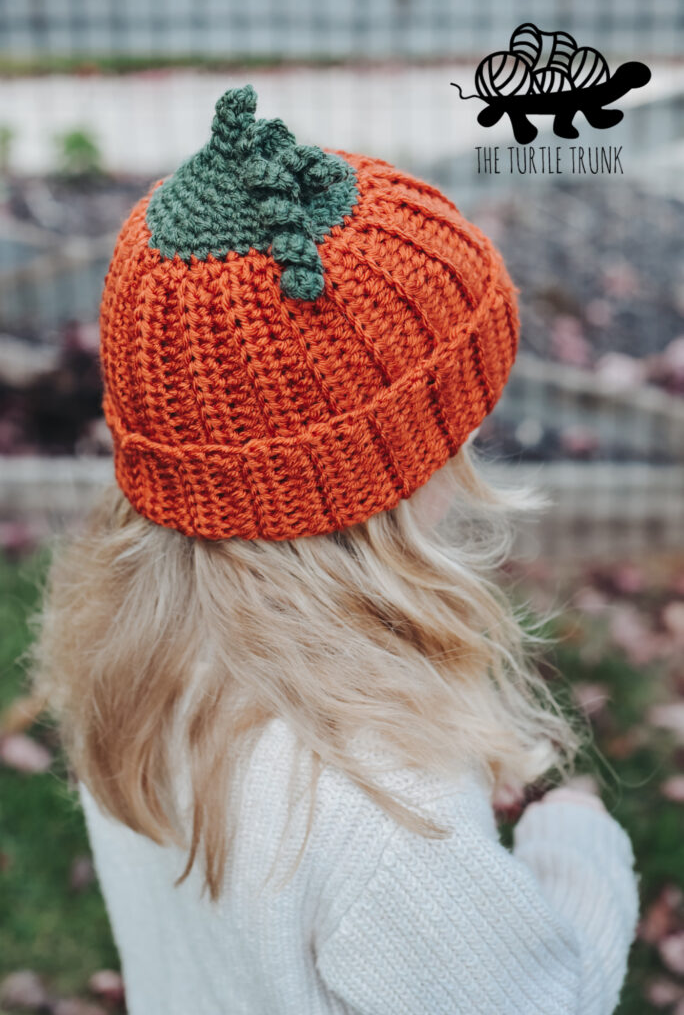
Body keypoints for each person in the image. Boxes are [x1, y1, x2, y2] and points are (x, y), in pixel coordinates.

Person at [28, 84, 639, 1015]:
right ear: (377, 481)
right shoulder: (385, 805)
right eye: (452, 429)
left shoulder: (134, 668)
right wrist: (579, 849)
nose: (467, 448)